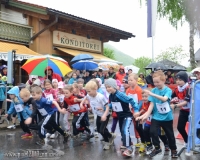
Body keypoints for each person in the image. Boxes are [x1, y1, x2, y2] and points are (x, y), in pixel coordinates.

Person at [136, 70, 178, 158]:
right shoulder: (154, 90)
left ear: (163, 80)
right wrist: (145, 116)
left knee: (170, 135)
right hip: (157, 116)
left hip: (167, 117)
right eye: (154, 82)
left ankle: (173, 150)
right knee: (152, 132)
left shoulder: (168, 90)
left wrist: (152, 94)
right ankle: (157, 147)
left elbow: (164, 99)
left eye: (158, 82)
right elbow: (151, 105)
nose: (156, 84)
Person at [104, 78, 139, 157]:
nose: (107, 88)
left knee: (124, 130)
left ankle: (129, 149)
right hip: (120, 116)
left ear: (114, 86)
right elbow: (112, 104)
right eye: (106, 87)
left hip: (127, 115)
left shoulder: (120, 94)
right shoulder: (111, 96)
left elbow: (131, 100)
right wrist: (105, 107)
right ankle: (128, 142)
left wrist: (136, 110)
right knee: (122, 130)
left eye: (109, 86)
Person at [81, 80, 116, 150]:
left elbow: (107, 107)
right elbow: (85, 98)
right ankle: (110, 135)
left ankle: (107, 142)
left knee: (101, 130)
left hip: (105, 115)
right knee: (100, 129)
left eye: (89, 91)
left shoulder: (100, 97)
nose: (88, 93)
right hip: (98, 114)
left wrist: (104, 115)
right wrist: (81, 104)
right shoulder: (89, 95)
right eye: (87, 91)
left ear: (95, 89)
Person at [170, 71, 190, 146]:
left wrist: (175, 106)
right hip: (183, 111)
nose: (178, 82)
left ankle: (196, 143)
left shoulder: (189, 88)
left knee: (194, 129)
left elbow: (185, 102)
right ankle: (187, 141)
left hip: (192, 111)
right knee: (180, 128)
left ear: (185, 80)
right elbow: (170, 97)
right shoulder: (177, 89)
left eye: (180, 80)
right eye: (177, 80)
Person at [126, 73, 143, 151]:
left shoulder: (139, 90)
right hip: (131, 110)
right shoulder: (128, 90)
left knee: (138, 125)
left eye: (131, 80)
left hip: (138, 111)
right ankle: (137, 138)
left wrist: (137, 111)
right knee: (134, 125)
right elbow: (126, 100)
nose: (129, 82)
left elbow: (141, 101)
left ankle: (141, 139)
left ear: (136, 80)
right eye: (128, 80)